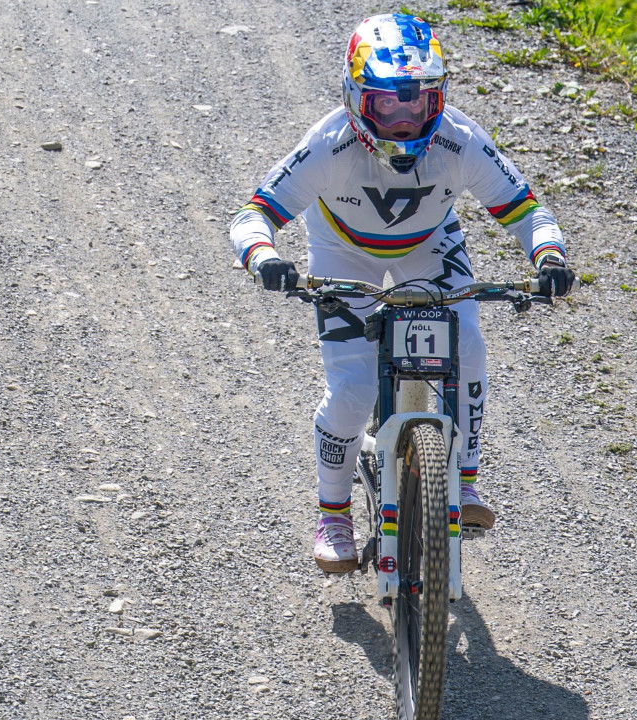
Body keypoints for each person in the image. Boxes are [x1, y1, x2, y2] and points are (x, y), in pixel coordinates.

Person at [230, 13, 573, 573]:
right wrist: (263, 257)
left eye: (419, 103)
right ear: (355, 98)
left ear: (440, 98)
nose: (405, 120)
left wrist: (549, 255)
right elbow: (253, 215)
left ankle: (464, 481)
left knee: (468, 347)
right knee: (353, 389)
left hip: (429, 244)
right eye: (386, 105)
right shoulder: (328, 144)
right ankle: (333, 514)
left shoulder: (460, 139)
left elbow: (526, 212)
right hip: (343, 251)